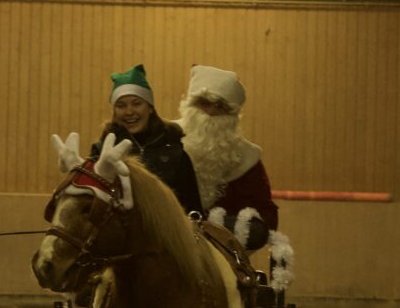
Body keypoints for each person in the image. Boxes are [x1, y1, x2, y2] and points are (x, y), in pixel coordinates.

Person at [176, 64, 278, 251]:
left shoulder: (247, 158)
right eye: (205, 103)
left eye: (221, 107)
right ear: (191, 104)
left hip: (223, 249)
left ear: (233, 114)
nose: (211, 112)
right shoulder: (167, 140)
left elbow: (266, 215)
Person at [90, 63, 203, 215]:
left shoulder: (175, 153)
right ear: (115, 112)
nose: (129, 112)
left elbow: (193, 211)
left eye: (137, 104)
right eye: (121, 106)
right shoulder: (101, 153)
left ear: (150, 107)